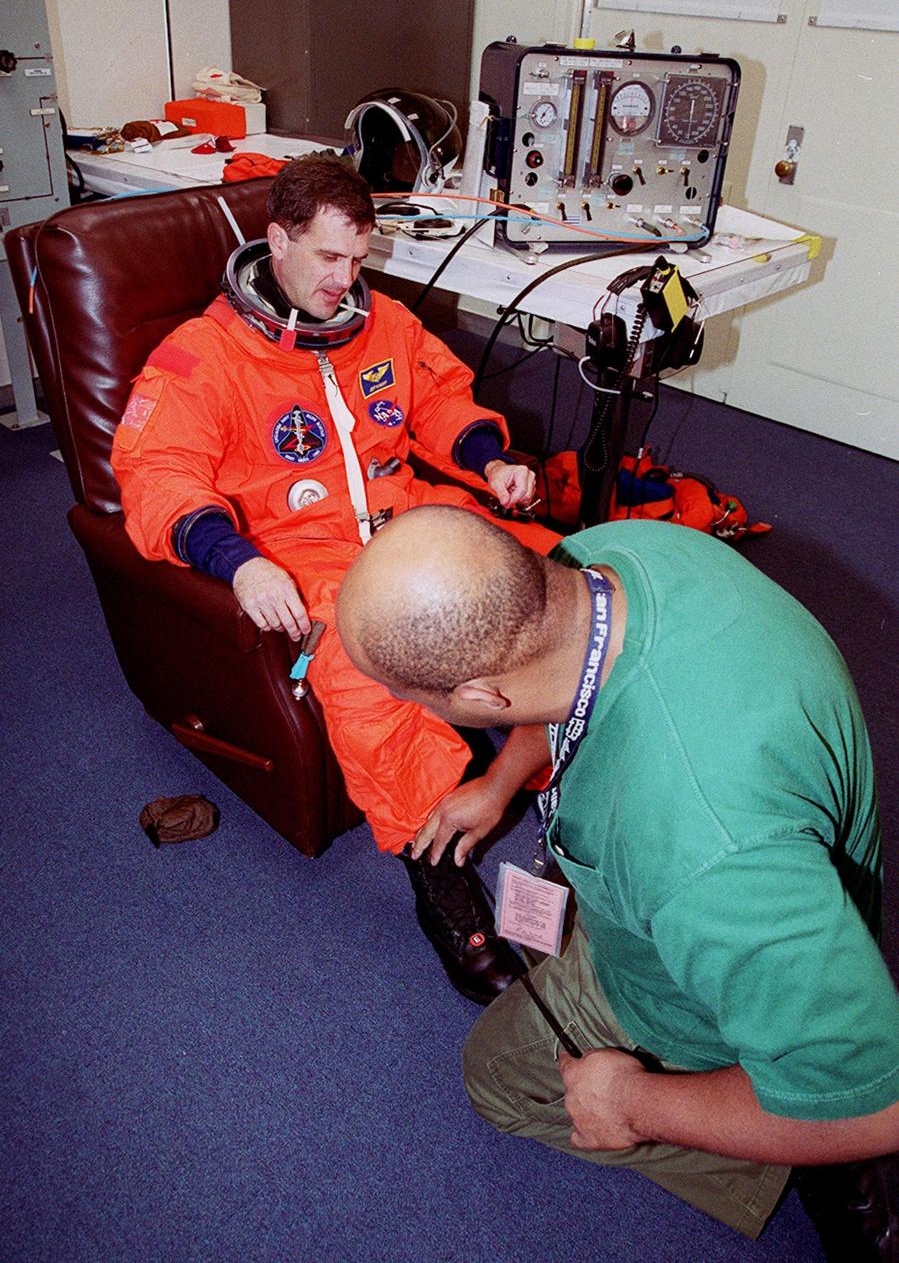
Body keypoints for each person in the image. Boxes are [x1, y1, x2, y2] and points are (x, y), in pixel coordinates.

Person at [336, 505, 899, 1259]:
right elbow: (555, 678)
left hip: (701, 985)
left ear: (480, 698)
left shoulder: (699, 847)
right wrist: (500, 781)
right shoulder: (612, 558)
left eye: (414, 697)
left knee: (495, 1078)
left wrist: (632, 1102)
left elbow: (883, 1109)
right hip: (723, 888)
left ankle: (799, 1140)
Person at [111, 155, 560, 1006]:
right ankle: (445, 890)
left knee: (548, 581)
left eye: (358, 259)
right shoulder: (201, 357)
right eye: (327, 257)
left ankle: (566, 789)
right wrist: (239, 562)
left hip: (408, 516)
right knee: (364, 675)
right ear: (277, 241)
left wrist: (489, 459)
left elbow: (439, 399)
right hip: (300, 552)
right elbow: (156, 475)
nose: (344, 280)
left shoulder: (382, 323)